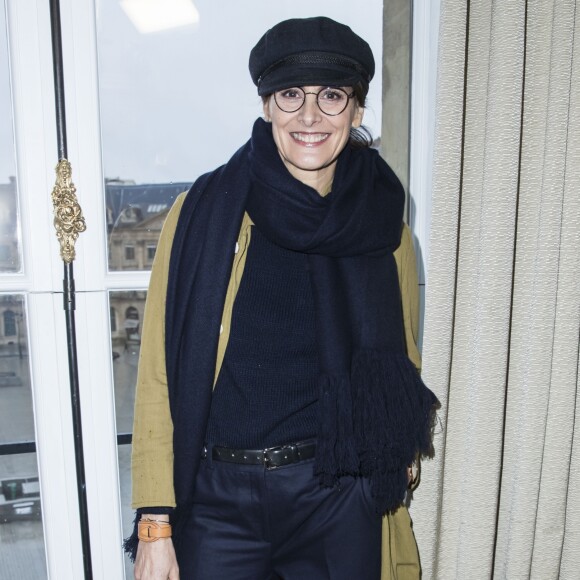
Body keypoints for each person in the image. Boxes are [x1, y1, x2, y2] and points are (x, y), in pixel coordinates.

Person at [124, 16, 438, 580]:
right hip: (217, 498)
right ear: (267, 105)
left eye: (332, 96)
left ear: (357, 111)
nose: (310, 116)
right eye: (290, 94)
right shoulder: (200, 214)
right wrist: (155, 524)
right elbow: (157, 378)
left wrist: (397, 454)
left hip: (336, 491)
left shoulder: (387, 230)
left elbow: (400, 362)